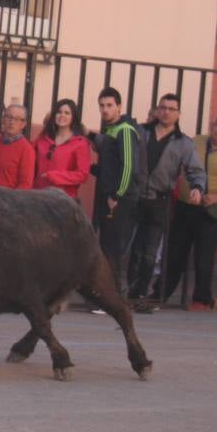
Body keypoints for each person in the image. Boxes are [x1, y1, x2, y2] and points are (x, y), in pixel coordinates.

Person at [159, 113, 217, 311]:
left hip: (210, 211)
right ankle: (160, 294)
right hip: (185, 206)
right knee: (174, 254)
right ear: (211, 125)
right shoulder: (195, 142)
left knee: (204, 257)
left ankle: (201, 299)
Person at [126, 93, 205, 312]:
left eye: (171, 109)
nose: (166, 112)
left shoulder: (183, 143)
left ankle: (141, 294)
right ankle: (127, 294)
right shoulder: (141, 132)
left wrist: (198, 188)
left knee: (150, 251)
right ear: (157, 110)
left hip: (158, 201)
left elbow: (195, 170)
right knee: (132, 248)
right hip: (134, 197)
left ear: (178, 114)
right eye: (163, 107)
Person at [91, 87, 146, 295]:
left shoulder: (125, 130)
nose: (105, 110)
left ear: (119, 107)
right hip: (107, 195)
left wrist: (117, 195)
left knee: (113, 248)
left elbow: (129, 167)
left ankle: (113, 295)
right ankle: (106, 292)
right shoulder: (109, 130)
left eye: (109, 105)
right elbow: (110, 165)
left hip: (119, 199)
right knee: (105, 245)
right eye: (101, 106)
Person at [32, 98, 91, 199]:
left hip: (62, 199)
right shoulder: (43, 137)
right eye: (59, 112)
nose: (62, 115)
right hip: (38, 195)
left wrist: (54, 176)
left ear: (73, 117)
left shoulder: (80, 143)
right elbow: (29, 156)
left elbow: (82, 175)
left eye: (67, 113)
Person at [0, 104, 35, 190]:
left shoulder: (26, 149)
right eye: (8, 117)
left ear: (23, 124)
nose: (12, 122)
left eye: (17, 119)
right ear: (3, 120)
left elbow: (26, 184)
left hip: (7, 198)